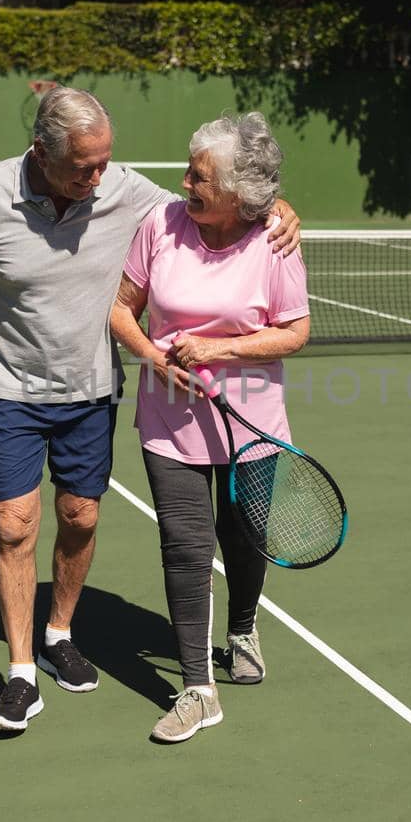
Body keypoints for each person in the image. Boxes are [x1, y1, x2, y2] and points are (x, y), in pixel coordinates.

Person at [0, 87, 300, 733]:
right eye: (84, 166)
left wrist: (279, 207)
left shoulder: (129, 191)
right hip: (13, 391)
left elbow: (226, 199)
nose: (98, 177)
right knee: (18, 525)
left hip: (94, 394)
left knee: (81, 516)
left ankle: (60, 632)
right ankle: (21, 675)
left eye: (106, 162)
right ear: (42, 152)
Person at [109, 112, 310, 743]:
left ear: (233, 193)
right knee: (186, 547)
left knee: (246, 540)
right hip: (168, 424)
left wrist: (218, 351)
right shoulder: (159, 226)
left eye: (199, 175)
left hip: (253, 424)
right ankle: (198, 687)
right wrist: (153, 355)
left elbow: (296, 331)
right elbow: (121, 308)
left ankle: (243, 627)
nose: (185, 182)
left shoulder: (273, 240)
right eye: (190, 170)